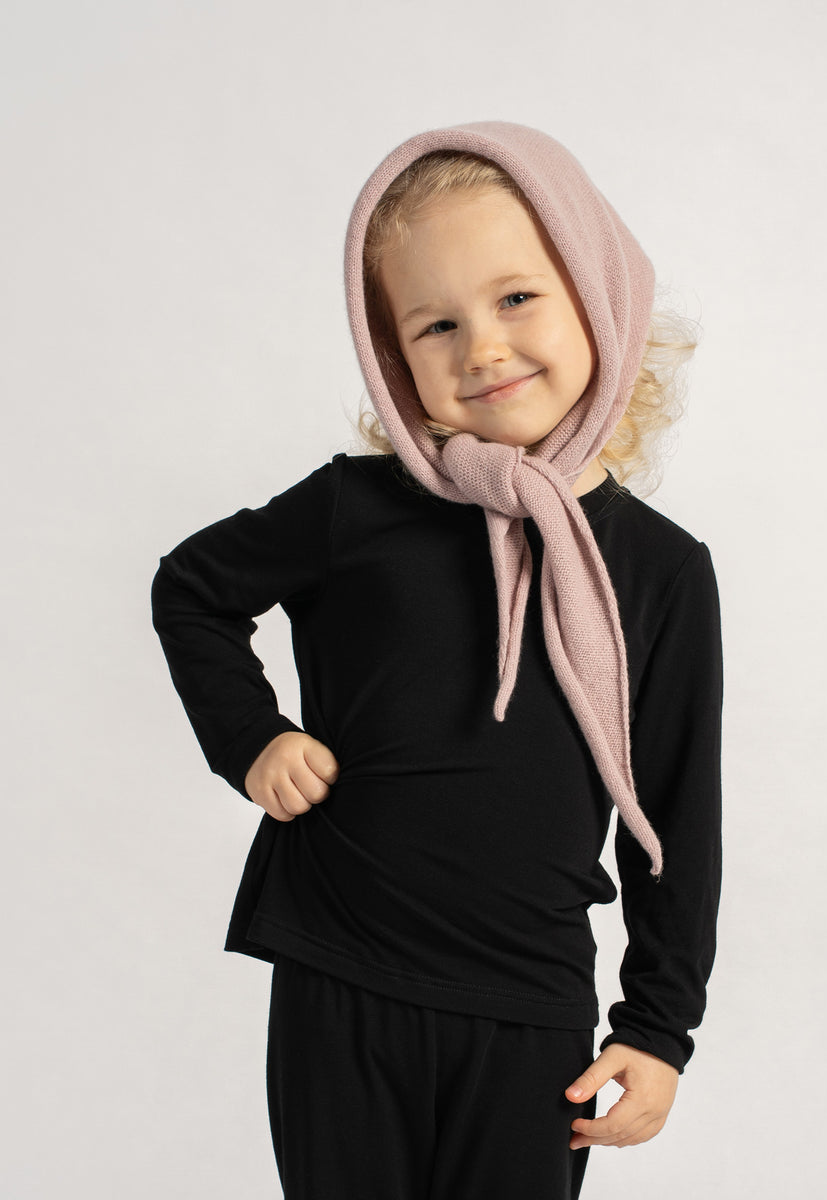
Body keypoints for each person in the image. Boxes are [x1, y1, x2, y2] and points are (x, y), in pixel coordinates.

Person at [151, 121, 723, 1200]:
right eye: (437, 324)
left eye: (517, 298)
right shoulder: (352, 510)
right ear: (393, 357)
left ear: (597, 293)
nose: (483, 349)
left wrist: (659, 1026)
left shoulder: (663, 570)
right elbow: (192, 589)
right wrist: (251, 735)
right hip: (341, 973)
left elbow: (678, 813)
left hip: (532, 1007)